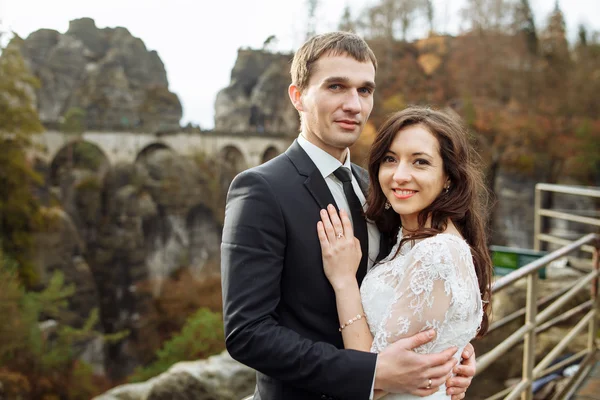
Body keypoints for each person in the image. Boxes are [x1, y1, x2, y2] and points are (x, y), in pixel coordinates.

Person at [221, 32, 476, 400]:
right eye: (336, 87)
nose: (353, 104)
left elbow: (410, 294)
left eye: (365, 90)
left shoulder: (379, 188)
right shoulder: (261, 190)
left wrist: (451, 353)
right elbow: (247, 333)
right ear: (298, 96)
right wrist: (370, 374)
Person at [316, 106, 493, 399]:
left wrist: (344, 280)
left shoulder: (437, 253)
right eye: (390, 159)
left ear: (449, 176)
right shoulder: (413, 238)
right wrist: (456, 350)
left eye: (419, 162)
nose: (400, 175)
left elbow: (377, 377)